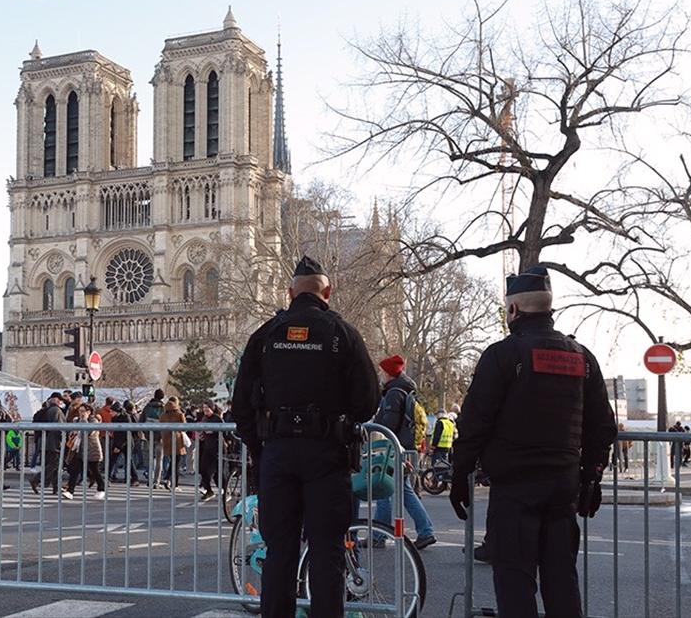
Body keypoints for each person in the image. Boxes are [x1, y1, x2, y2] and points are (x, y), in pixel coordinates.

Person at [449, 266, 617, 617]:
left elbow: (475, 422)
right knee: (561, 581)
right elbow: (601, 426)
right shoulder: (581, 356)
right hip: (563, 486)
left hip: (515, 488)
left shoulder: (502, 355)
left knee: (514, 584)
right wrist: (591, 475)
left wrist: (459, 473)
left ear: (513, 310)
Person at [230, 256, 380, 618]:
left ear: (290, 292)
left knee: (279, 552)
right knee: (327, 554)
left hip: (278, 454)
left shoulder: (266, 335)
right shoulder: (342, 334)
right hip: (327, 455)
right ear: (328, 292)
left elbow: (240, 405)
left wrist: (260, 447)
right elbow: (368, 401)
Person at [373, 354, 436, 549]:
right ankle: (426, 531)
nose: (380, 374)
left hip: (393, 447)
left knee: (383, 488)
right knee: (404, 491)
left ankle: (379, 535)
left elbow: (389, 423)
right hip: (405, 446)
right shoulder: (403, 390)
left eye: (382, 371)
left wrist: (375, 427)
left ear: (388, 373)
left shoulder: (393, 393)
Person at [62, 403, 106, 500]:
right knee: (75, 470)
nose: (81, 413)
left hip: (92, 450)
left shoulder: (93, 421)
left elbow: (88, 432)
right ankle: (70, 491)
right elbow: (73, 432)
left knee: (95, 470)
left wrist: (84, 420)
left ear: (89, 412)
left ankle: (101, 488)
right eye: (80, 411)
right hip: (79, 449)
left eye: (83, 411)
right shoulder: (77, 420)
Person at [29, 393, 67, 495]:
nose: (61, 402)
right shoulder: (56, 411)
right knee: (54, 464)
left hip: (45, 442)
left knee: (54, 465)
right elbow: (59, 427)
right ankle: (36, 479)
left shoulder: (45, 410)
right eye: (60, 400)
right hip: (53, 442)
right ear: (56, 400)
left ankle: (56, 487)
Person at [157, 397, 187, 490]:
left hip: (166, 440)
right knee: (177, 462)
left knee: (172, 461)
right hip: (177, 440)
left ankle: (167, 479)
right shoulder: (179, 414)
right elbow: (184, 427)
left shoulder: (163, 415)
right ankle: (175, 484)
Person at [198, 402, 225, 500]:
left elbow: (225, 431)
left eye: (207, 407)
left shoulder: (217, 419)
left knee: (218, 471)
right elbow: (202, 430)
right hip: (207, 447)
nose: (205, 409)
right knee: (203, 469)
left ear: (212, 408)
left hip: (217, 447)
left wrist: (213, 432)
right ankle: (209, 491)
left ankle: (225, 490)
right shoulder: (204, 419)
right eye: (204, 407)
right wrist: (202, 435)